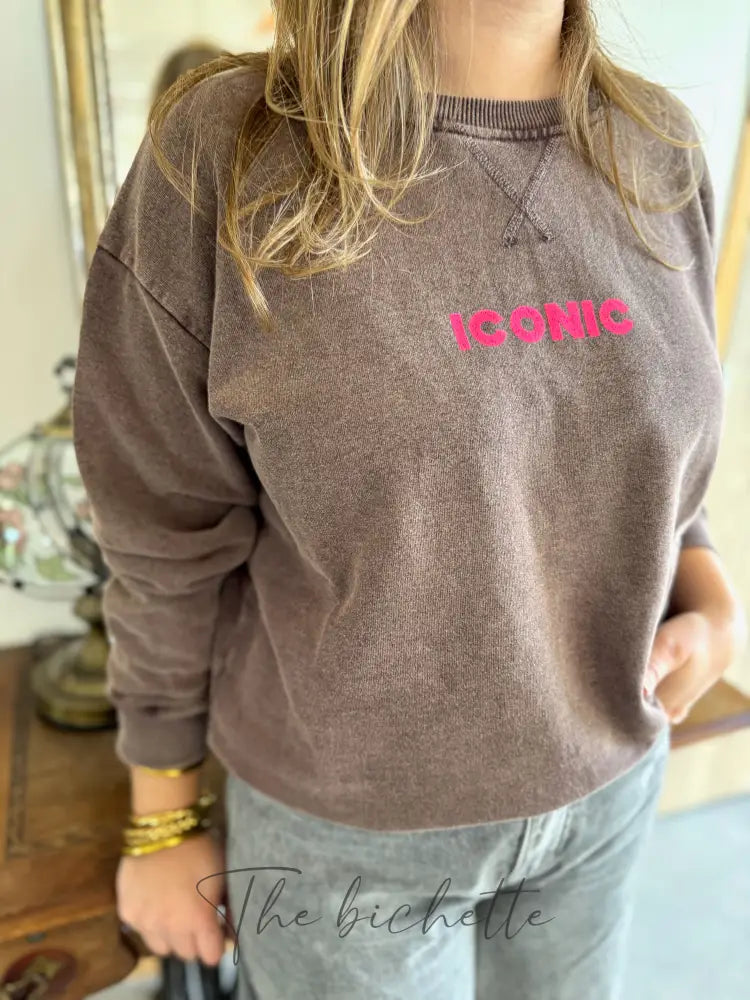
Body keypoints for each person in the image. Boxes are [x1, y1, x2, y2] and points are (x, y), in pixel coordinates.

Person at [71, 1, 747, 997]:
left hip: (606, 785)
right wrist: (162, 818)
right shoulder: (227, 148)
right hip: (347, 830)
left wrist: (710, 589)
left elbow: (642, 456)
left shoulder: (659, 143)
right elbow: (161, 524)